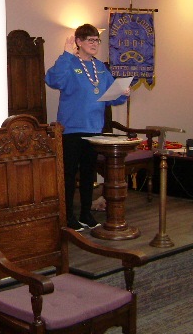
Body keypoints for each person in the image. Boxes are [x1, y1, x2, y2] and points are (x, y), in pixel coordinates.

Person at [45, 24, 129, 231]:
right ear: (79, 42)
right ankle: (67, 217)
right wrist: (66, 54)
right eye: (90, 40)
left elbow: (110, 97)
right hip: (72, 129)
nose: (95, 44)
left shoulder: (100, 67)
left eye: (97, 40)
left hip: (94, 129)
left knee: (88, 174)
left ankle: (85, 213)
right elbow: (53, 80)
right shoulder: (69, 62)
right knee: (69, 174)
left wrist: (122, 93)